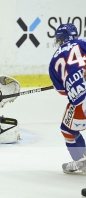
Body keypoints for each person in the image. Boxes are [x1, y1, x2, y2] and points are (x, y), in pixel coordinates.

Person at [49, 23, 86, 174]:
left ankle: (81, 161)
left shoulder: (53, 61)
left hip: (81, 100)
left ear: (61, 39)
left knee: (67, 130)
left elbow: (62, 92)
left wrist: (70, 81)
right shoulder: (83, 44)